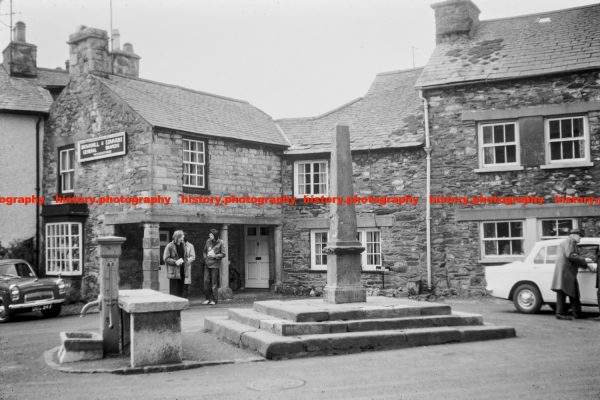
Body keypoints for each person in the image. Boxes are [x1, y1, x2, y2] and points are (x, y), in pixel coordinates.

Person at [551, 229, 591, 320]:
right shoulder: (570, 241)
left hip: (566, 271)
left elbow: (572, 256)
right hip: (566, 271)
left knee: (572, 292)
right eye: (579, 235)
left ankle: (576, 313)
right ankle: (560, 313)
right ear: (573, 235)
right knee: (563, 292)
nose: (580, 238)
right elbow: (570, 255)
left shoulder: (569, 242)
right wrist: (584, 261)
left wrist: (584, 263)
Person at [163, 230, 193, 297]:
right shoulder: (169, 246)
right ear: (178, 237)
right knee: (174, 291)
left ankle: (181, 305)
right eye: (182, 236)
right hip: (174, 272)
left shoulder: (183, 245)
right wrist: (175, 262)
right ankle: (174, 306)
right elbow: (165, 258)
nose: (183, 237)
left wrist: (187, 261)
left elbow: (185, 257)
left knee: (181, 290)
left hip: (182, 271)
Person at [203, 228, 225, 305]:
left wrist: (215, 256)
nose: (209, 235)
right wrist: (205, 257)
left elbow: (223, 254)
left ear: (214, 235)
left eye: (211, 235)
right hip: (207, 264)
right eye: (209, 234)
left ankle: (214, 299)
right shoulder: (208, 241)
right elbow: (204, 251)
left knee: (214, 283)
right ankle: (207, 298)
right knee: (206, 281)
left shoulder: (221, 242)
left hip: (215, 264)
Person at [182, 233, 196, 298]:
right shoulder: (177, 244)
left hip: (186, 267)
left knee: (185, 285)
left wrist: (186, 261)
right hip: (178, 267)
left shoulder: (190, 246)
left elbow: (193, 257)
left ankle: (184, 299)